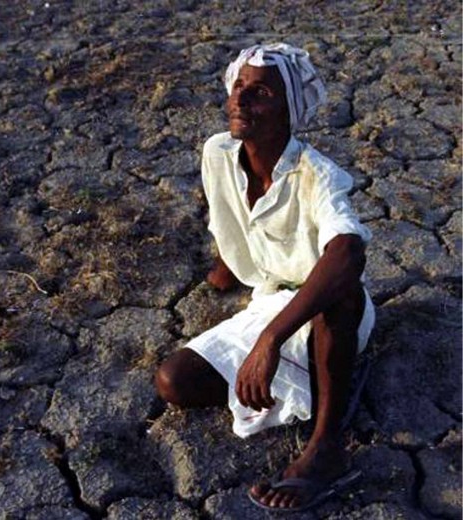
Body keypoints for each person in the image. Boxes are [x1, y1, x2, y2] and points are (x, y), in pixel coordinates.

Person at [155, 43, 374, 513]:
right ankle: (324, 383)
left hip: (324, 313)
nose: (240, 100)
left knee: (339, 289)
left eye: (260, 93)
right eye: (238, 87)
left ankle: (326, 444)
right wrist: (228, 266)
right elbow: (229, 214)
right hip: (268, 300)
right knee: (173, 381)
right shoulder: (219, 152)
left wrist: (271, 340)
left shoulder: (318, 175)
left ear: (288, 108)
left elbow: (348, 254)